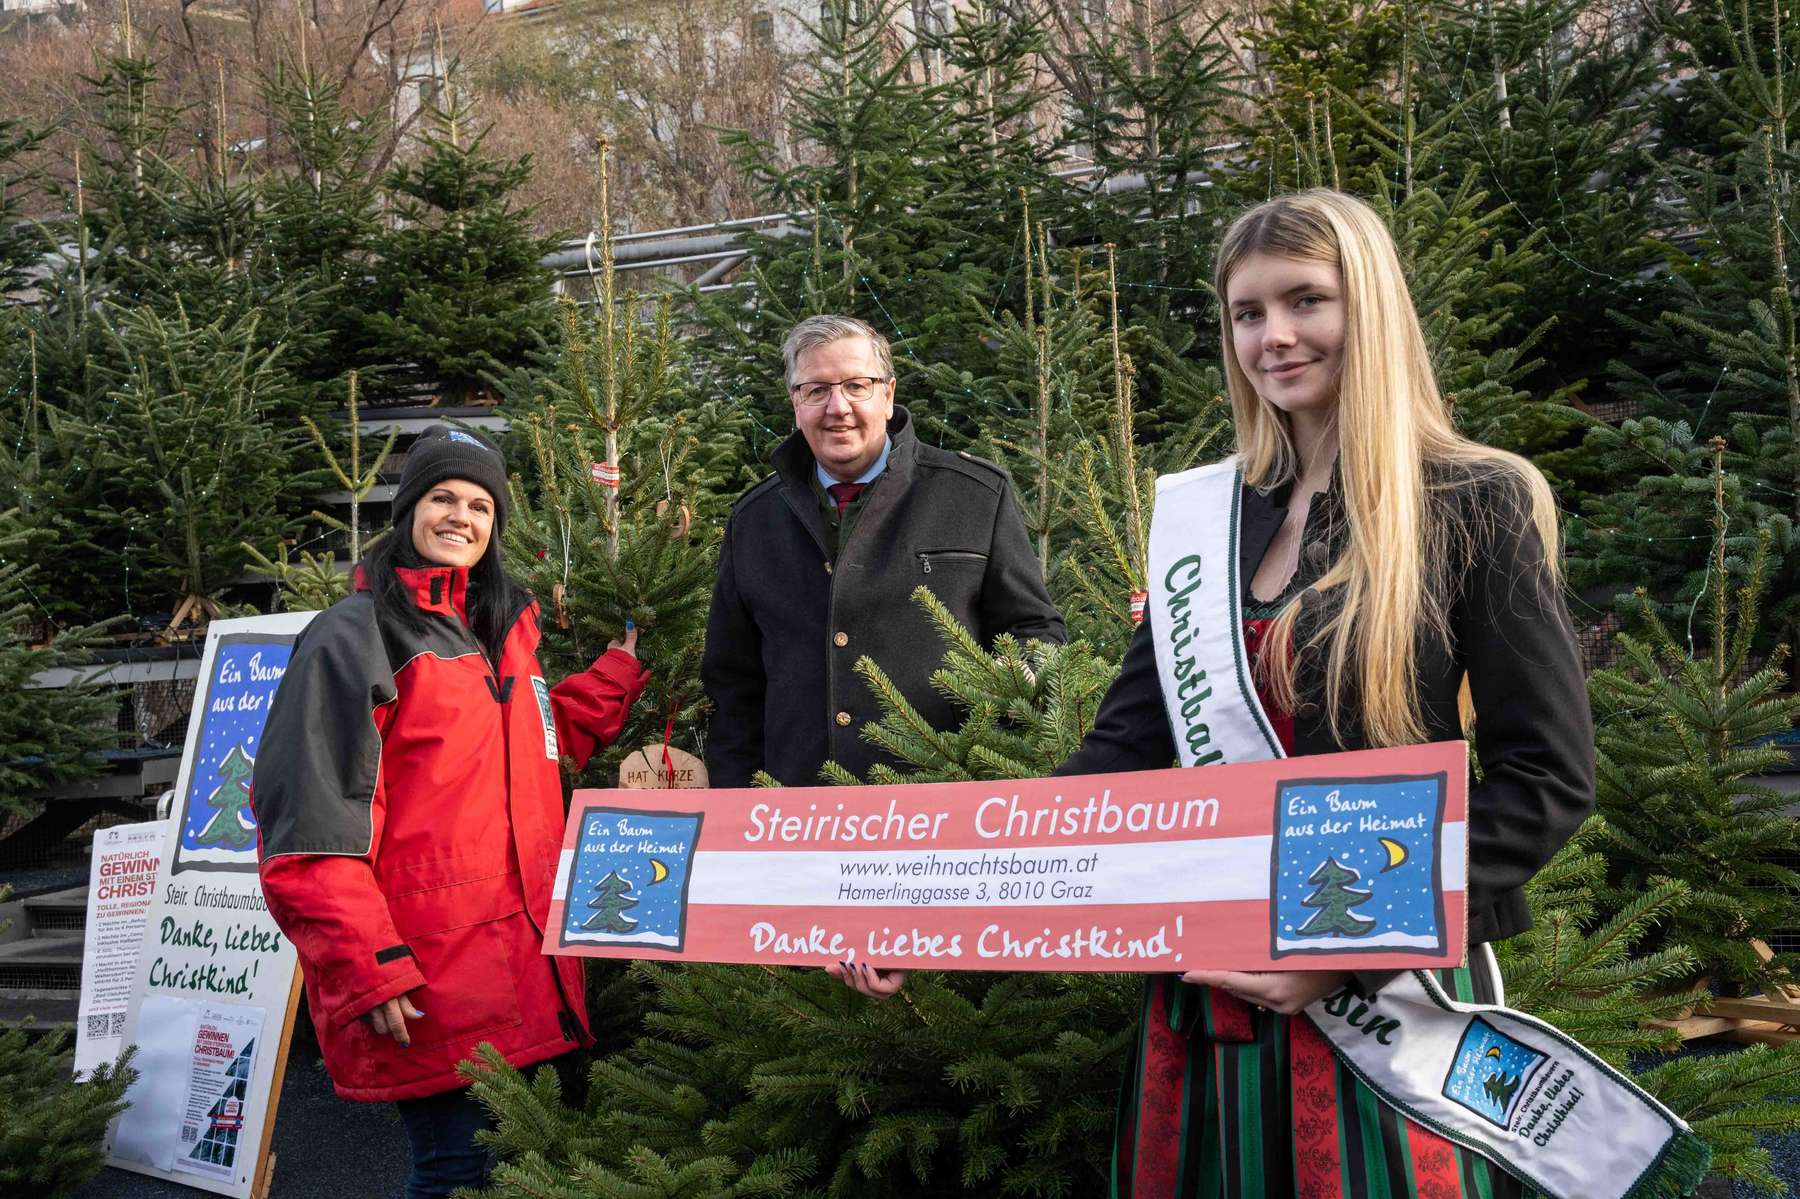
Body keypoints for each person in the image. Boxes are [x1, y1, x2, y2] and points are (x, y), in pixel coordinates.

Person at [833, 191, 1596, 1196]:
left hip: (1394, 997)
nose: (1274, 335)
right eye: (1247, 312)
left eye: (1306, 300)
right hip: (1210, 995)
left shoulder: (1473, 500)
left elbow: (1546, 776)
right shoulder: (1206, 518)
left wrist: (1337, 959)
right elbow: (1117, 759)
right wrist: (931, 909)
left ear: (1369, 306)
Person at [252, 425, 649, 1199]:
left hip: (528, 963)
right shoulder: (352, 637)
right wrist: (366, 966)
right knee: (459, 1172)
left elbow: (533, 748)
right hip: (433, 979)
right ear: (408, 512)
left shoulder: (501, 634)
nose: (461, 516)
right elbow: (309, 824)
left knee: (521, 1172)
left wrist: (616, 675)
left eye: (479, 504)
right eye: (442, 498)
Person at [702, 314, 1065, 786]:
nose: (838, 407)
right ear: (795, 403)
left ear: (888, 396)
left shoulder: (974, 496)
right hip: (797, 818)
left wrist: (1002, 707)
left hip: (943, 808)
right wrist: (740, 809)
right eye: (816, 390)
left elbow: (1034, 631)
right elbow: (733, 686)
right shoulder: (754, 521)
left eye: (856, 386)